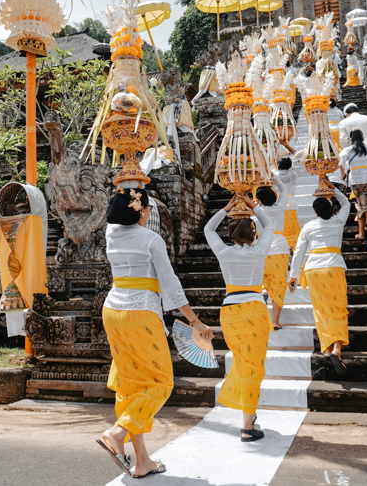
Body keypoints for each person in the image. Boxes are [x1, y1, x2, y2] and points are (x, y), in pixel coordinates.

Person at [99, 187, 213, 478]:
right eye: (147, 207)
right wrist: (194, 321)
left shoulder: (110, 235)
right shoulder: (152, 240)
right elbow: (169, 283)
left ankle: (142, 462)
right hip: (140, 314)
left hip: (113, 311)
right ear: (142, 211)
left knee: (132, 385)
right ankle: (117, 433)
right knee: (160, 383)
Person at [204, 194, 274, 442]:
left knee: (244, 365)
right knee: (253, 367)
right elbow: (270, 225)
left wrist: (227, 207)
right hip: (254, 310)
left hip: (231, 311)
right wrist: (253, 205)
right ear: (253, 235)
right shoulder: (259, 250)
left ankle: (248, 415)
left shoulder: (224, 252)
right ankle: (247, 425)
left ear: (232, 234)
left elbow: (208, 228)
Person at [288, 184, 350, 376]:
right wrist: (333, 189)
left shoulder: (308, 226)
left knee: (322, 310)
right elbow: (347, 202)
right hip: (334, 266)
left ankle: (326, 349)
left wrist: (293, 276)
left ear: (314, 212)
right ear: (332, 209)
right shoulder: (338, 221)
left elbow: (298, 252)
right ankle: (337, 349)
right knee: (338, 308)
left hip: (314, 269)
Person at [255, 174, 290, 330]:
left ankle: (263, 289)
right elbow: (284, 191)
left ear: (259, 200)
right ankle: (275, 321)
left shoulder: (256, 214)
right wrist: (274, 177)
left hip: (262, 247)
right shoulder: (280, 207)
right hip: (280, 249)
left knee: (262, 278)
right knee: (279, 284)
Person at [275, 157, 301, 251]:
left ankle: (281, 246)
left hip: (278, 202)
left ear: (279, 166)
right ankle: (291, 245)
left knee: (281, 227)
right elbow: (298, 160)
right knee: (293, 228)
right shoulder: (293, 174)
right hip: (291, 202)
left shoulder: (274, 174)